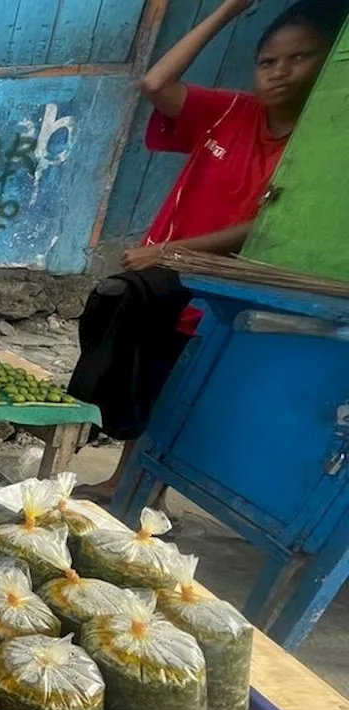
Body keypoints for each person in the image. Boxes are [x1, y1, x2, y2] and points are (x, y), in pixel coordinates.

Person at [76, 0, 348, 503]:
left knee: (190, 388)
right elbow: (155, 85)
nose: (280, 73)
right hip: (164, 281)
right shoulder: (230, 111)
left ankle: (151, 492)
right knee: (144, 375)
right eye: (268, 62)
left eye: (300, 58)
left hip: (227, 288)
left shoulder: (318, 150)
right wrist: (227, 11)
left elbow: (266, 225)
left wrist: (171, 252)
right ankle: (125, 481)